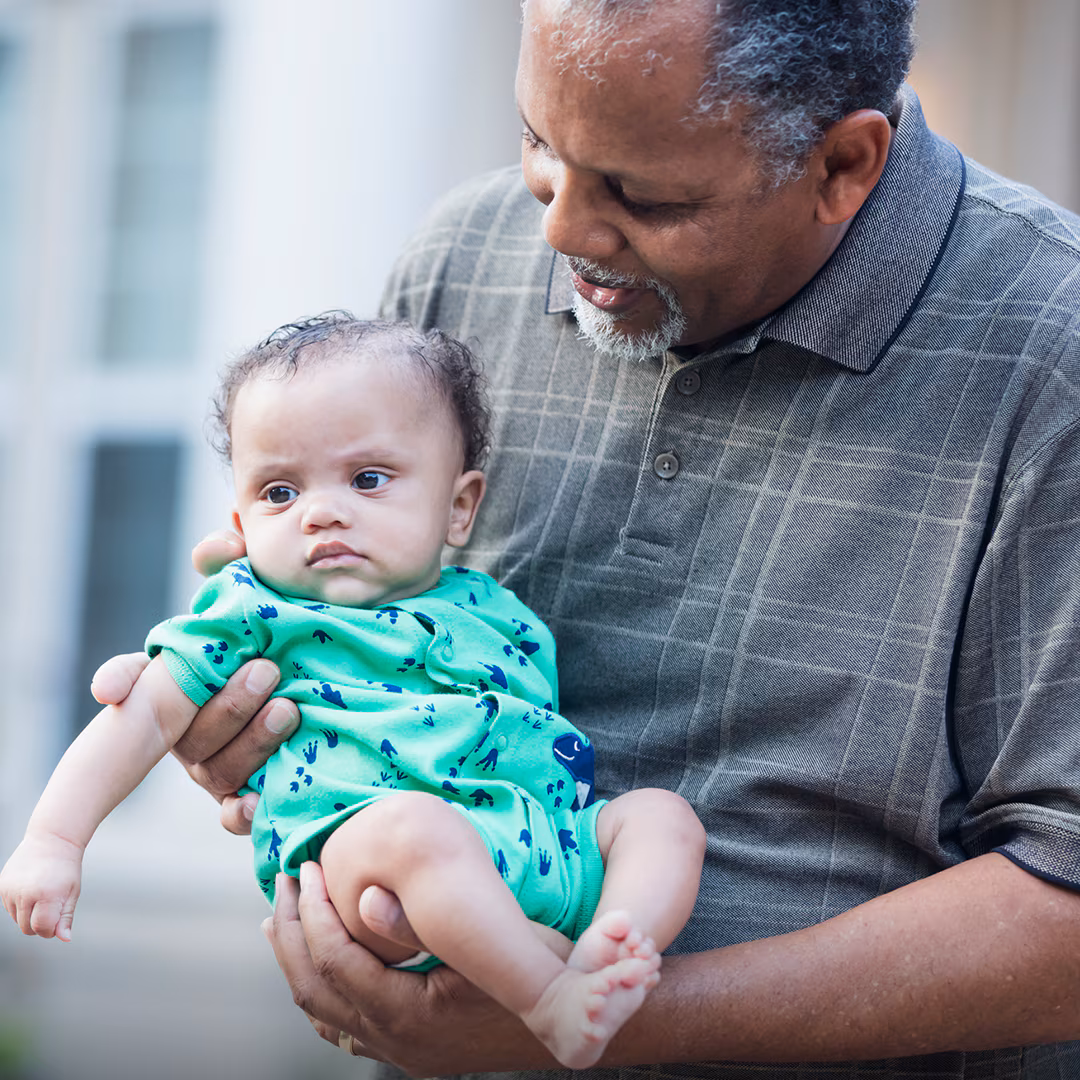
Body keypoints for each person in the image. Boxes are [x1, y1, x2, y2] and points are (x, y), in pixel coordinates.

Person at [92, 0, 1080, 1077]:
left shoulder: (1051, 349)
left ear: (842, 164)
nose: (559, 231)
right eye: (538, 146)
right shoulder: (458, 263)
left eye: (641, 194)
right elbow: (363, 662)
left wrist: (600, 1020)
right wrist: (251, 720)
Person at [0, 315, 705, 1070]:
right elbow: (136, 717)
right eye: (279, 491)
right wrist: (54, 841)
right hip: (365, 863)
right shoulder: (253, 614)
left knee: (659, 820)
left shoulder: (496, 610)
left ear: (459, 507)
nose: (322, 510)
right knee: (414, 831)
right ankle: (548, 1001)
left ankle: (607, 949)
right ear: (241, 523)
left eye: (369, 479)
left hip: (543, 848)